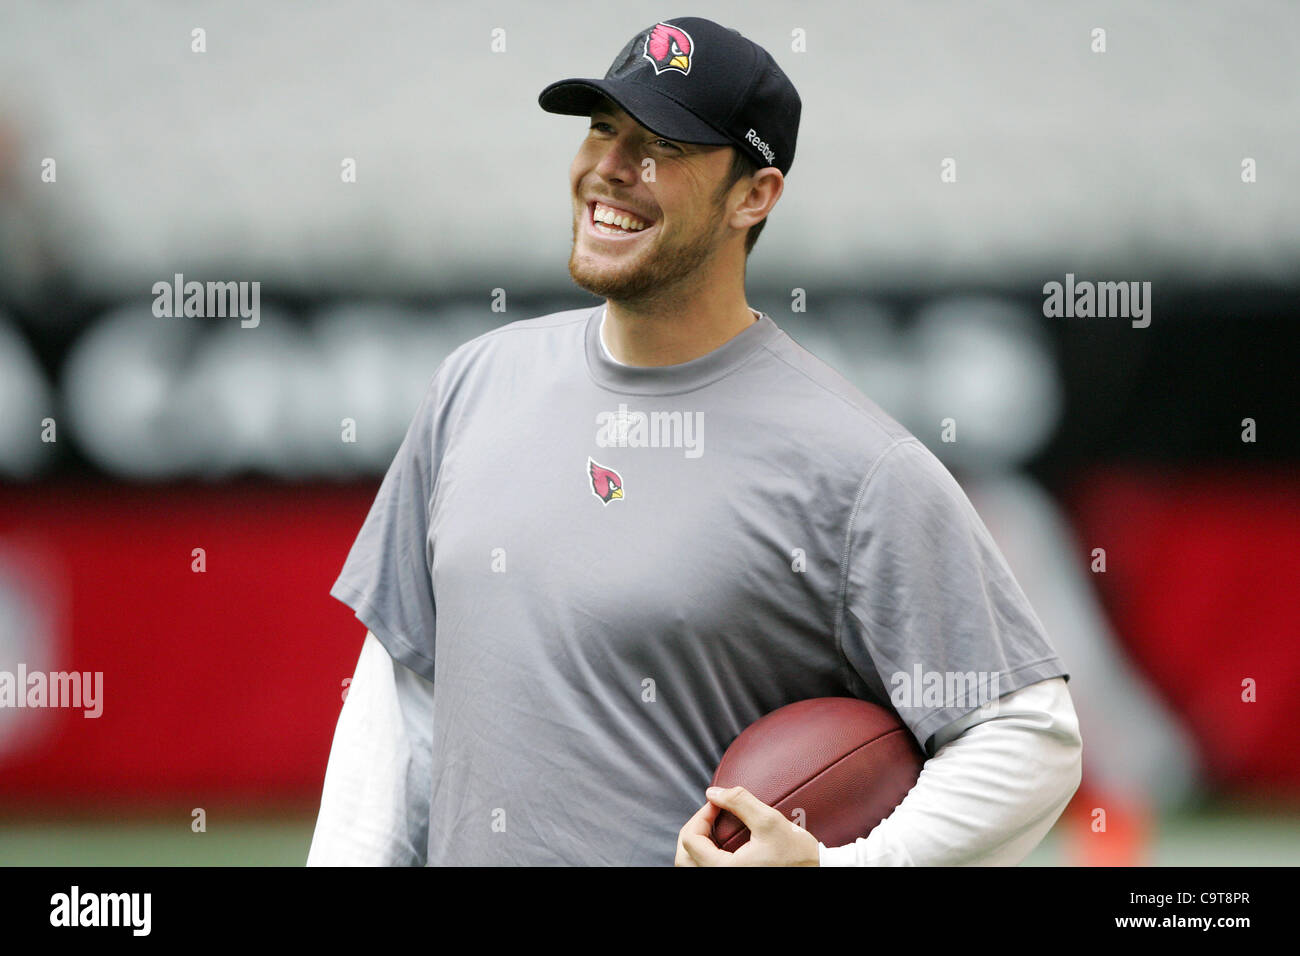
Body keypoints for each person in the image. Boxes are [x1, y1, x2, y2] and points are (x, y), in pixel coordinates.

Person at [307, 16, 1082, 867]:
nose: (611, 167)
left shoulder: (860, 466)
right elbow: (401, 704)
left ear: (754, 195)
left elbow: (1027, 737)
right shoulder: (472, 385)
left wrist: (839, 869)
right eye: (604, 129)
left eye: (662, 145)